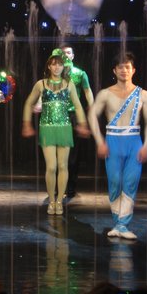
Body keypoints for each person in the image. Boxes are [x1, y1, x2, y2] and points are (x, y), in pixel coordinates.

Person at [88, 52, 147, 240]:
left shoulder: (143, 94)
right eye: (120, 67)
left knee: (130, 183)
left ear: (133, 70)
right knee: (115, 182)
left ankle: (123, 225)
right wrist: (100, 141)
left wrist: (146, 145)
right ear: (114, 71)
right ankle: (118, 222)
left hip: (134, 142)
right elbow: (92, 115)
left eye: (127, 67)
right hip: (113, 141)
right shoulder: (105, 94)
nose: (124, 70)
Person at [22, 50, 89, 215]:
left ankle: (59, 201)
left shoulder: (69, 84)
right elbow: (29, 103)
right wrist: (27, 123)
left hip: (65, 128)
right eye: (53, 64)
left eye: (59, 64)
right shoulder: (41, 84)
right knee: (51, 167)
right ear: (49, 66)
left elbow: (78, 105)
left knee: (63, 166)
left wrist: (82, 123)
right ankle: (51, 200)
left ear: (63, 66)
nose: (57, 67)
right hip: (47, 128)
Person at [60, 44, 94, 198]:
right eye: (63, 53)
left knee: (73, 155)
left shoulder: (80, 74)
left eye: (68, 53)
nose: (66, 55)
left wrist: (92, 107)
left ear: (72, 56)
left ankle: (71, 188)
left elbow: (87, 91)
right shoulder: (53, 73)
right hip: (56, 115)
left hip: (74, 115)